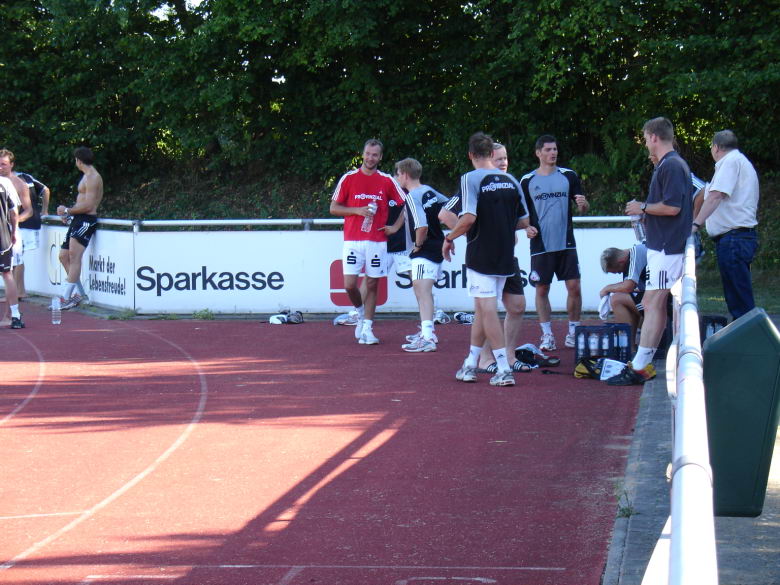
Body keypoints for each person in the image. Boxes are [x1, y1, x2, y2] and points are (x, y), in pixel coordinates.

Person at [608, 117, 692, 385]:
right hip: (663, 245)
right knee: (653, 303)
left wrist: (643, 207)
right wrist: (647, 213)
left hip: (667, 247)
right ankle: (642, 363)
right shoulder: (668, 165)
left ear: (654, 137)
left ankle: (640, 366)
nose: (645, 144)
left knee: (654, 303)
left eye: (645, 138)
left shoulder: (672, 165)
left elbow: (673, 207)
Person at [443, 132, 529, 387]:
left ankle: (503, 368)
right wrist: (501, 223)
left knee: (488, 310)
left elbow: (468, 218)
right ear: (492, 153)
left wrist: (450, 237)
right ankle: (470, 363)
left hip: (481, 252)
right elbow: (524, 220)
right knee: (482, 309)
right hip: (505, 254)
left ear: (471, 155)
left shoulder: (469, 178)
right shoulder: (511, 180)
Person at [330, 138, 407, 344]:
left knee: (372, 284)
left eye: (375, 155)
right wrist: (357, 210)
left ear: (380, 157)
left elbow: (407, 204)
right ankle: (360, 313)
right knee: (349, 285)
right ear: (362, 154)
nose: (370, 158)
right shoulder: (349, 178)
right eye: (368, 154)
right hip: (352, 240)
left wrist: (396, 226)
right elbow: (333, 208)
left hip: (377, 241)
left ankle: (368, 328)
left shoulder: (387, 180)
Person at [519, 135, 589, 352]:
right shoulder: (527, 180)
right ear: (538, 153)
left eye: (555, 149)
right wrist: (526, 227)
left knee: (574, 286)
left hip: (566, 242)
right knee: (542, 288)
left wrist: (583, 204)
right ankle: (547, 334)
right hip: (541, 244)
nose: (553, 153)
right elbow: (521, 213)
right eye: (548, 150)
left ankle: (573, 332)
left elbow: (583, 207)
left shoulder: (568, 176)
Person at [692, 130, 759, 320]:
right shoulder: (739, 161)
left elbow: (715, 196)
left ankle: (748, 336)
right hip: (737, 238)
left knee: (739, 302)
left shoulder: (730, 162)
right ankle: (746, 334)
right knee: (738, 297)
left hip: (734, 238)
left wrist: (695, 224)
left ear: (716, 147)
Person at [394, 157, 448, 352]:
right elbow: (449, 205)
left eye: (398, 174)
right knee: (423, 291)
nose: (397, 178)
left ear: (405, 175)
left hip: (425, 248)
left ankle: (427, 338)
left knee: (422, 291)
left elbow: (422, 226)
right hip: (437, 244)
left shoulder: (412, 196)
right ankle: (428, 331)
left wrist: (417, 245)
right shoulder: (429, 191)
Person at [56, 146, 104, 310]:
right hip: (78, 219)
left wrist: (68, 210)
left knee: (74, 257)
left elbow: (89, 205)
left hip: (86, 220)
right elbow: (82, 202)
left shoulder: (92, 177)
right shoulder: (86, 176)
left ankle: (66, 297)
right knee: (63, 256)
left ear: (78, 160)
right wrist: (68, 213)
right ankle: (78, 293)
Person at [599, 244, 648, 348]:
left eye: (618, 271)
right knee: (624, 297)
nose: (619, 273)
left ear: (621, 261)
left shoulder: (635, 254)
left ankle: (627, 347)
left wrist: (607, 288)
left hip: (662, 303)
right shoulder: (631, 257)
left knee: (616, 299)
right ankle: (630, 346)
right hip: (658, 299)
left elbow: (627, 287)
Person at [0, 150, 33, 302]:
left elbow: (29, 210)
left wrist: (14, 222)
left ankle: (15, 300)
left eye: (4, 164)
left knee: (14, 264)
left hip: (11, 230)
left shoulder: (20, 184)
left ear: (12, 165)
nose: (0, 167)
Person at [14, 170, 50, 299]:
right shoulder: (26, 176)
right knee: (15, 256)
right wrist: (44, 210)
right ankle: (18, 291)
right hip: (28, 221)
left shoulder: (16, 179)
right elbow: (45, 190)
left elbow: (46, 190)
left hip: (22, 222)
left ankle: (17, 292)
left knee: (16, 256)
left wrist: (44, 211)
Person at [0, 175, 24, 328]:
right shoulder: (5, 183)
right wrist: (14, 232)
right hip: (3, 236)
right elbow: (14, 212)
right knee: (7, 274)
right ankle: (15, 315)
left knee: (7, 274)